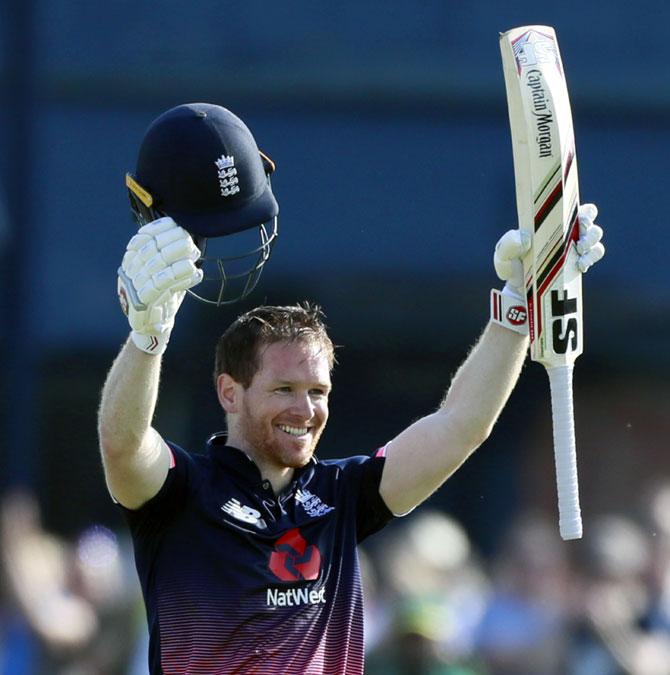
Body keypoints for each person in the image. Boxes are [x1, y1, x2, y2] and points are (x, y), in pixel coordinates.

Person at [97, 101, 605, 674]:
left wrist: (517, 303)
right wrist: (146, 340)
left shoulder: (340, 498)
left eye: (317, 391)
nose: (305, 409)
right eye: (284, 388)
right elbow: (122, 443)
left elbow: (462, 425)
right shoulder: (183, 494)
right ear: (229, 393)